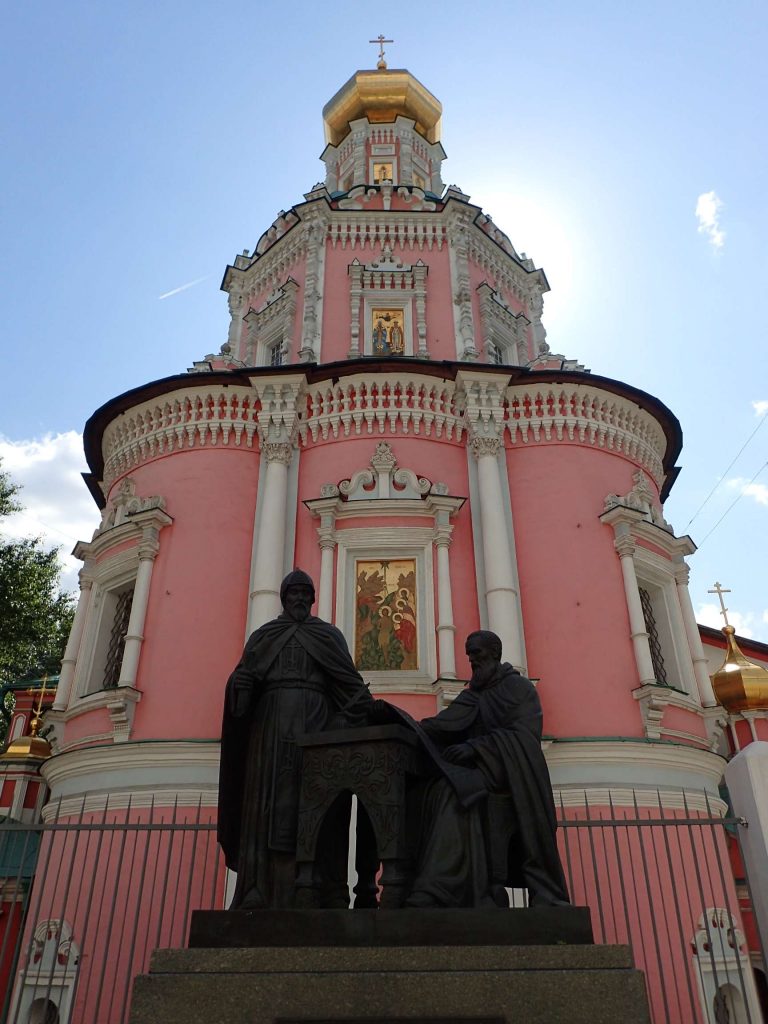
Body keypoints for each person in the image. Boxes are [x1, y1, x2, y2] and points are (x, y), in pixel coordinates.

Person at [217, 569, 375, 909]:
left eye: (306, 593)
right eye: (294, 593)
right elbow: (243, 691)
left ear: (313, 599)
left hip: (317, 734)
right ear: (284, 597)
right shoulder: (264, 637)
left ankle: (321, 891)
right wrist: (239, 686)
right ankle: (257, 890)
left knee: (319, 809)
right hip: (270, 733)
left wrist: (355, 715)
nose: (300, 598)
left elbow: (350, 686)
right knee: (266, 806)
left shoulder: (328, 637)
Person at [405, 630, 569, 908]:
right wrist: (408, 726)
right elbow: (443, 725)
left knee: (456, 792)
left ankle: (441, 887)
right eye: (469, 654)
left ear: (494, 653)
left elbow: (524, 738)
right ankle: (456, 887)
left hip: (510, 774)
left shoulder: (518, 690)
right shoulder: (473, 695)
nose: (472, 659)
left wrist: (476, 748)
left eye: (477, 653)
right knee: (429, 790)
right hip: (480, 772)